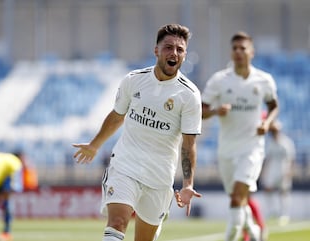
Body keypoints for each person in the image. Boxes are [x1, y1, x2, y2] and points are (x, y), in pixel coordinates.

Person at [73, 23, 202, 241]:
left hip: (159, 176)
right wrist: (95, 145)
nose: (174, 53)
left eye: (180, 50)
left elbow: (188, 145)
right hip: (125, 165)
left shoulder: (189, 95)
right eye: (168, 47)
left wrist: (188, 184)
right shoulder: (134, 80)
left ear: (185, 55)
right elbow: (116, 116)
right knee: (117, 223)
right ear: (156, 50)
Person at [201, 31, 279, 241]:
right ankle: (254, 232)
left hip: (252, 148)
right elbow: (201, 110)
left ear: (251, 52)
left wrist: (267, 123)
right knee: (237, 200)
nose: (237, 52)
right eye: (234, 48)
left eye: (242, 48)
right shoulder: (219, 80)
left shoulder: (264, 80)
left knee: (237, 198)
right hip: (226, 150)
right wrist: (216, 111)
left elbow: (273, 106)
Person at [261, 120, 295, 226]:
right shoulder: (270, 143)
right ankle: (272, 211)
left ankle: (284, 215)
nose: (273, 132)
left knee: (284, 192)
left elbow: (291, 158)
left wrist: (290, 171)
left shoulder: (286, 142)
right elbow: (267, 159)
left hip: (284, 170)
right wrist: (264, 172)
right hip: (272, 171)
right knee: (268, 190)